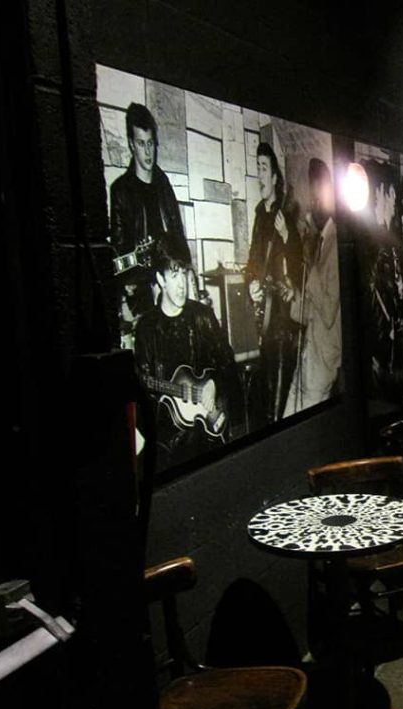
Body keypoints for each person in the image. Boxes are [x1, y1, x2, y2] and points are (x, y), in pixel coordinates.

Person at [134, 236, 238, 470]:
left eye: (184, 274)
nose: (182, 284)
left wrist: (214, 383)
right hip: (168, 443)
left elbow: (228, 363)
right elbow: (141, 391)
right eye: (174, 275)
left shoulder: (202, 317)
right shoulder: (146, 328)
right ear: (160, 279)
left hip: (208, 435)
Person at [109, 102, 191, 332]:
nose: (147, 152)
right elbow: (118, 249)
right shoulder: (121, 190)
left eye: (151, 144)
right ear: (130, 145)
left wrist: (187, 274)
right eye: (141, 144)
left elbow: (178, 235)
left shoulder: (163, 185)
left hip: (171, 285)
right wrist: (131, 282)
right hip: (142, 293)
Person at [246, 141, 303, 424]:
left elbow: (298, 265)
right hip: (263, 319)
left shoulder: (286, 215)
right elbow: (252, 262)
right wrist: (250, 284)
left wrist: (286, 236)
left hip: (282, 319)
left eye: (263, 168)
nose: (259, 174)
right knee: (264, 392)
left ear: (275, 177)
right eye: (257, 167)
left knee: (279, 398)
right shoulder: (259, 215)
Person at [283, 158, 342, 416]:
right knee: (288, 417)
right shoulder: (321, 241)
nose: (313, 203)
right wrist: (293, 297)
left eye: (318, 195)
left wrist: (310, 264)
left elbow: (329, 314)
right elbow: (310, 313)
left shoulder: (336, 243)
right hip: (309, 355)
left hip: (322, 363)